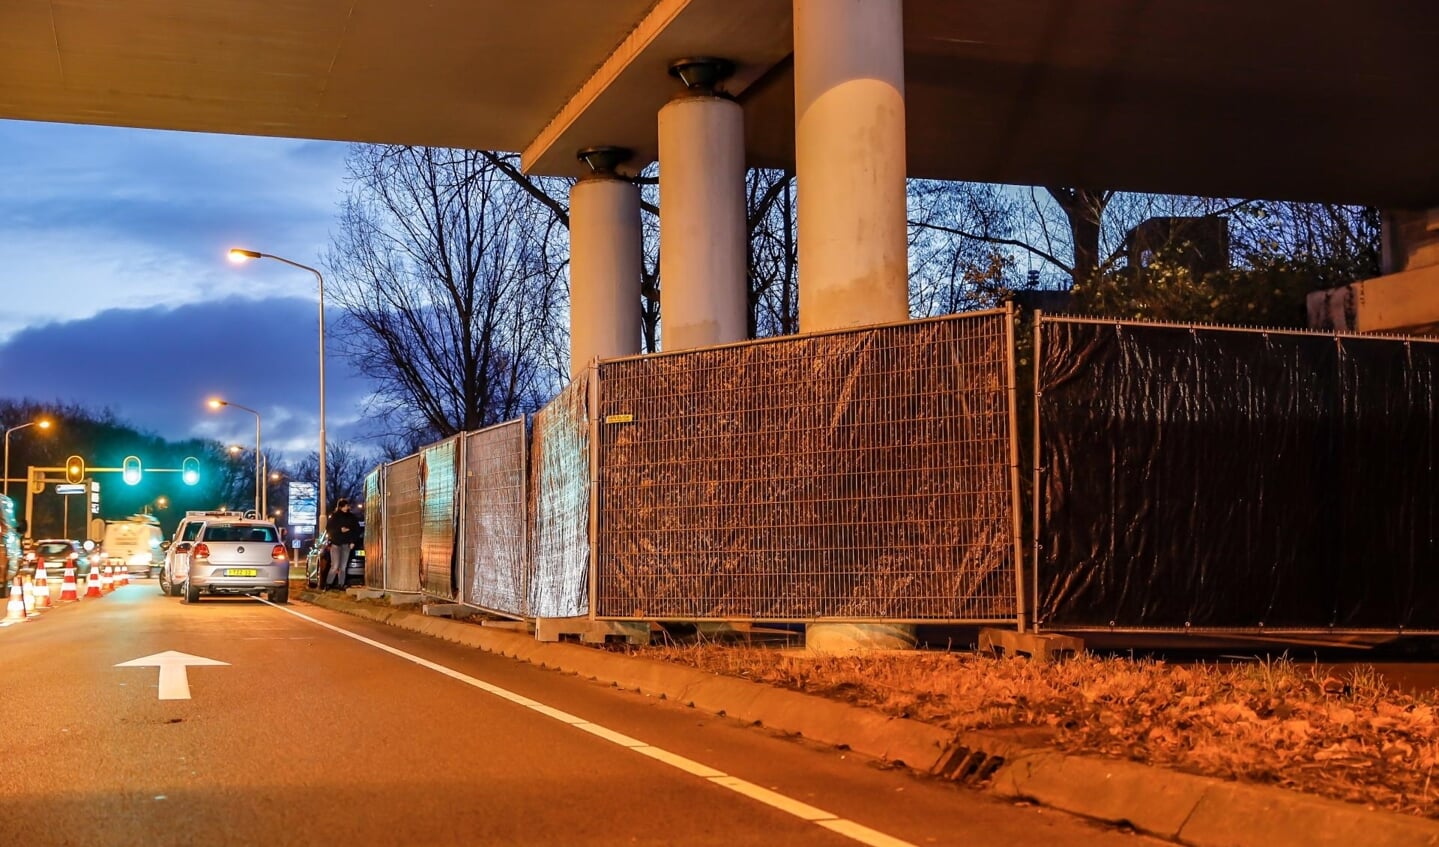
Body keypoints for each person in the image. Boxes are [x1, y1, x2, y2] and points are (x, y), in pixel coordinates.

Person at [324, 498, 361, 590]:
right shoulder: (334, 517)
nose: (346, 508)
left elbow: (356, 530)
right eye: (344, 506)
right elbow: (329, 529)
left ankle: (341, 584)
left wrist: (352, 541)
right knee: (335, 565)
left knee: (343, 566)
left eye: (346, 506)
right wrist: (339, 530)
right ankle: (328, 583)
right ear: (340, 507)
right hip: (336, 544)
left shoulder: (351, 517)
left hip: (346, 544)